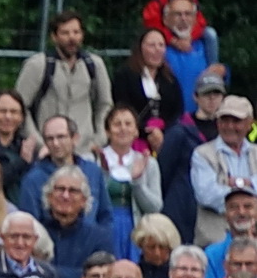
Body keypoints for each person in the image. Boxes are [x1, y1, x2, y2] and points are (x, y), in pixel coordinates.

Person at [15, 11, 112, 154]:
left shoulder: (94, 65)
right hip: (48, 149)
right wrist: (38, 143)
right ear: (54, 37)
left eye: (76, 32)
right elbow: (19, 107)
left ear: (82, 35)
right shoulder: (37, 65)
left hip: (85, 150)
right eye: (65, 33)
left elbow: (105, 104)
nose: (71, 38)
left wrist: (99, 139)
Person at [160, 71, 224, 245]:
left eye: (216, 93)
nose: (212, 98)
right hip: (182, 209)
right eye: (206, 93)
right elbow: (163, 172)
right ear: (195, 97)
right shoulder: (178, 131)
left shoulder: (227, 134)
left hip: (215, 214)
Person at [189, 94, 257, 247]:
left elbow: (219, 195)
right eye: (224, 120)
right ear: (217, 123)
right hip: (214, 241)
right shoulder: (202, 154)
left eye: (236, 121)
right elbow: (207, 195)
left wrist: (233, 184)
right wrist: (250, 187)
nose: (229, 126)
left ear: (250, 124)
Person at [19, 114, 111, 227]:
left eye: (61, 137)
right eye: (50, 138)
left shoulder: (93, 171)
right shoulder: (33, 179)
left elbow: (105, 215)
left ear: (75, 138)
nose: (55, 143)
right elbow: (30, 224)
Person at [98, 105, 164, 258]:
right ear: (107, 131)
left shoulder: (149, 163)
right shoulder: (94, 160)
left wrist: (137, 181)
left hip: (136, 228)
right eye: (117, 124)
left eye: (128, 124)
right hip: (104, 228)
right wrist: (104, 174)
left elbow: (155, 207)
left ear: (136, 131)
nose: (123, 129)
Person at [110, 28, 184, 145]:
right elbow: (122, 106)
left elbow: (178, 112)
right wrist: (146, 130)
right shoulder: (124, 76)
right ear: (140, 48)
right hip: (134, 137)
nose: (157, 50)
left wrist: (162, 131)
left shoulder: (170, 79)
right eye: (151, 45)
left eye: (161, 45)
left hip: (165, 137)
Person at [205, 192, 257, 278]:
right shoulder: (212, 254)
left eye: (247, 206)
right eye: (234, 207)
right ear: (225, 215)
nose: (241, 212)